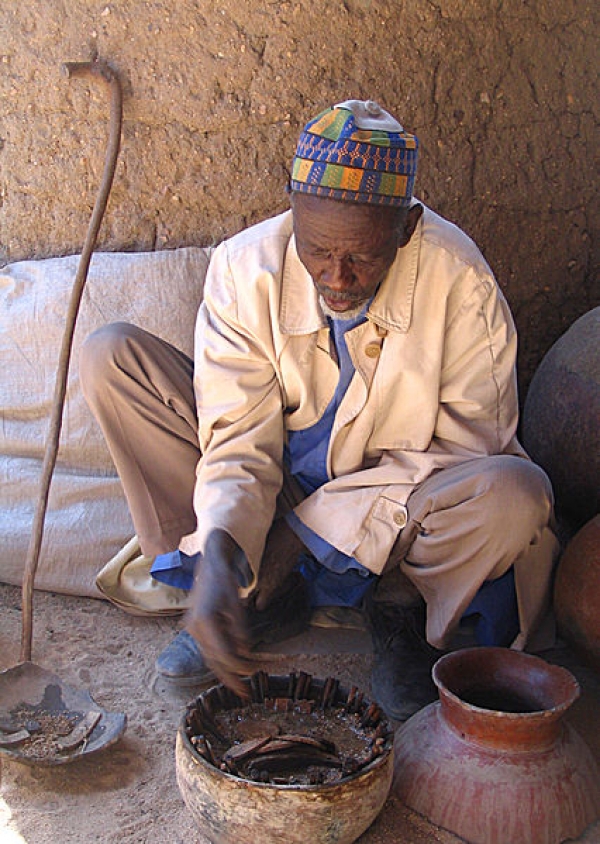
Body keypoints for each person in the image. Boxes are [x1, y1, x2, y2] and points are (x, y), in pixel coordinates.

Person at [80, 100, 559, 721]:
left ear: (407, 227)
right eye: (316, 250)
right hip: (273, 497)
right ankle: (236, 592)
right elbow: (235, 438)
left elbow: (468, 449)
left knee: (516, 492)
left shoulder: (460, 280)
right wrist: (228, 544)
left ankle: (397, 610)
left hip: (395, 520)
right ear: (293, 212)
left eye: (362, 256)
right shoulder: (244, 267)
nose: (337, 277)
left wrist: (302, 534)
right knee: (112, 356)